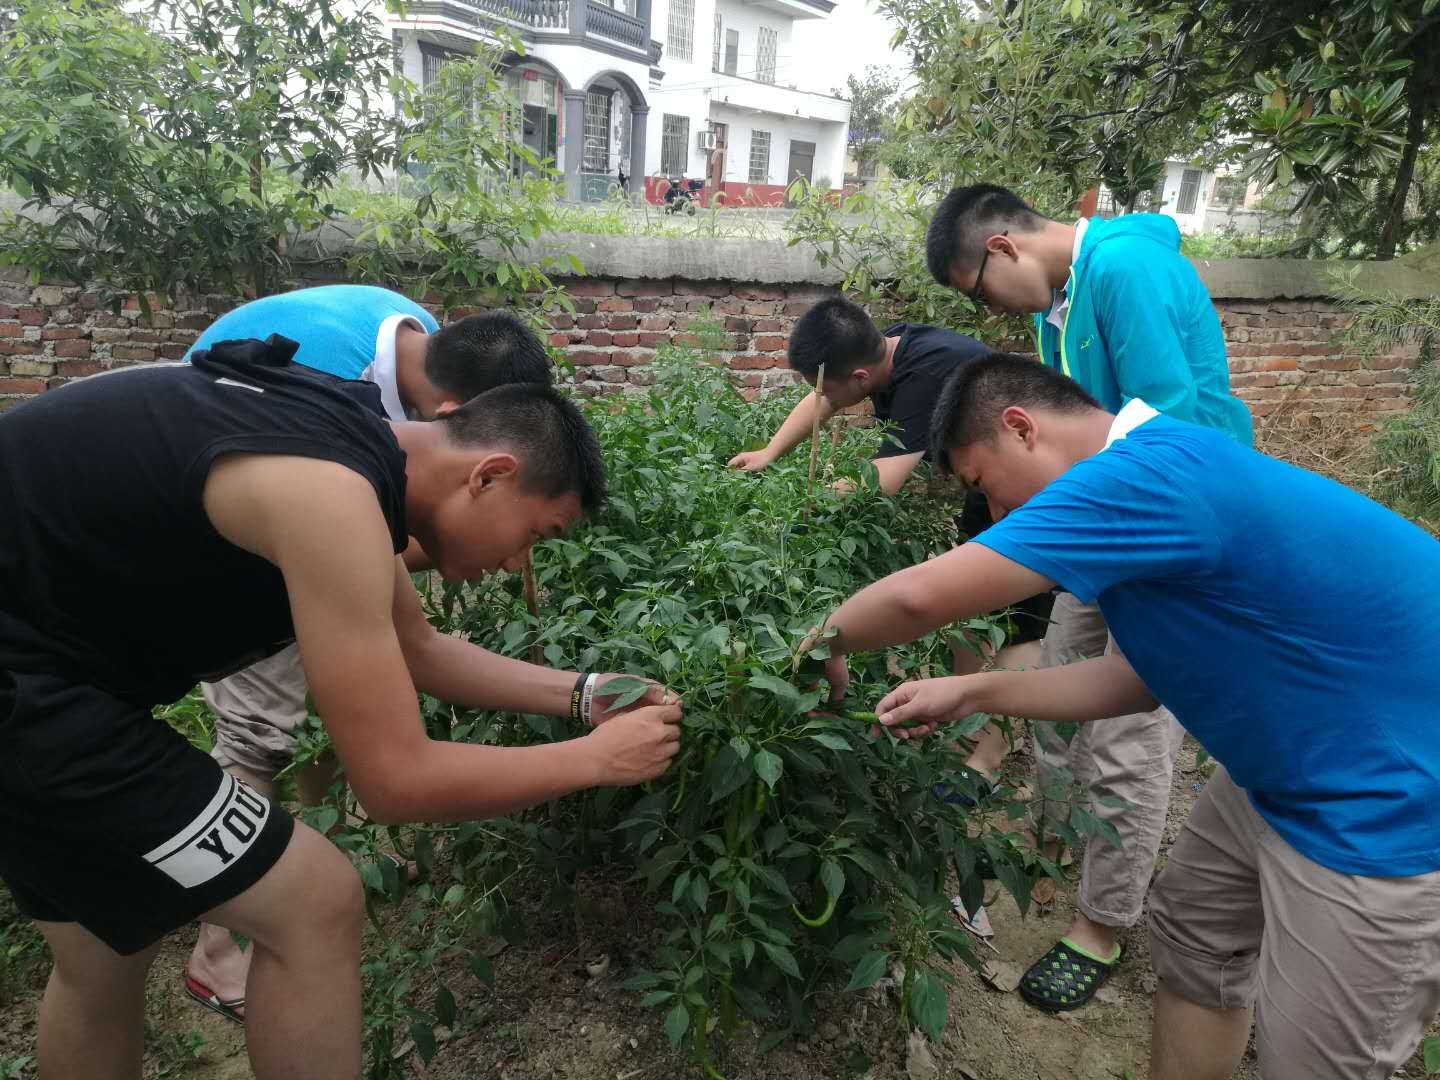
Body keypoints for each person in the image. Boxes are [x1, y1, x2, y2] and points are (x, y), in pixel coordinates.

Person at [0, 336, 683, 1080]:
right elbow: (394, 781)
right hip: (30, 686)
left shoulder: (349, 443)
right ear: (489, 475)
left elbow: (419, 648)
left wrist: (585, 696)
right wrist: (593, 762)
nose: (519, 563)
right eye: (535, 536)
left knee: (102, 950)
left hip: (50, 668)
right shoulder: (330, 492)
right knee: (314, 901)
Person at [809, 352, 1440, 1077]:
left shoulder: (1138, 478)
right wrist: (972, 692)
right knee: (1197, 937)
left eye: (983, 485)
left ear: (1021, 428)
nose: (997, 516)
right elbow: (1135, 683)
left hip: (1385, 801)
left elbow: (919, 598)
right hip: (1288, 763)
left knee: (1312, 1059)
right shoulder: (1155, 476)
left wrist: (819, 641)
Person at [922, 184, 1253, 1003]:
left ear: (1001, 247)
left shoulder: (1126, 270)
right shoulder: (1060, 308)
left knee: (1128, 739)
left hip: (1174, 534)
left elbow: (1164, 433)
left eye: (978, 291)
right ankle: (1063, 841)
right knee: (1060, 688)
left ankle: (1101, 924)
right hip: (1110, 528)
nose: (989, 309)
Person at [183, 289, 554, 1019]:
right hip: (229, 552)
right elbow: (370, 554)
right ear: (456, 418)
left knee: (334, 699)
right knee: (260, 733)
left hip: (270, 511)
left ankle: (329, 845)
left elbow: (402, 607)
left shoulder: (419, 336)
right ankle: (218, 950)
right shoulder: (333, 406)